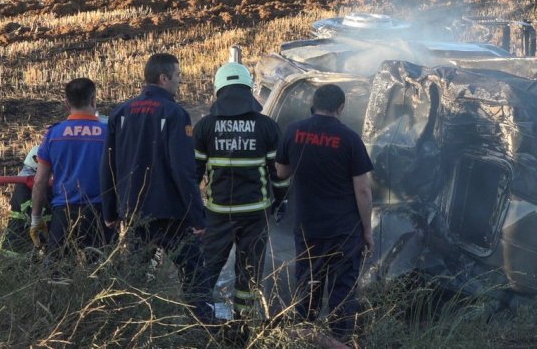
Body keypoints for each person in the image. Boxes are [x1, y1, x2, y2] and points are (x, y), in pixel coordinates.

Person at [99, 53, 213, 322]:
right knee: (194, 273)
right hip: (172, 214)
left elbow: (108, 165)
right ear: (164, 78)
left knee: (136, 279)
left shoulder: (121, 112)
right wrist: (198, 217)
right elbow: (183, 171)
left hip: (135, 212)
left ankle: (133, 327)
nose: (180, 81)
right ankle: (204, 330)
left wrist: (110, 211)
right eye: (178, 76)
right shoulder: (175, 113)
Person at [275, 84, 373, 345]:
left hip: (309, 227)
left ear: (313, 103)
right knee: (343, 289)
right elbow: (363, 190)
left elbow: (281, 173)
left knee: (308, 282)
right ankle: (339, 340)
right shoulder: (350, 139)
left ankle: (304, 334)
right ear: (340, 107)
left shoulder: (293, 131)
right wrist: (367, 231)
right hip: (345, 230)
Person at [194, 63, 286, 324]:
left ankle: (197, 323)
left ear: (218, 90)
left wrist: (195, 213)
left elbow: (193, 174)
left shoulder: (205, 127)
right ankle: (243, 327)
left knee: (206, 271)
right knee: (248, 274)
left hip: (217, 215)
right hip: (256, 215)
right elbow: (277, 175)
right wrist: (281, 202)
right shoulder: (267, 126)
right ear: (248, 89)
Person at [30, 78, 110, 257]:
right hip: (100, 213)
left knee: (57, 275)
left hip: (64, 213)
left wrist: (36, 219)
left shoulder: (54, 134)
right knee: (102, 273)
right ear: (93, 100)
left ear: (67, 103)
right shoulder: (108, 133)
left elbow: (40, 180)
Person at [0, 146, 48, 256]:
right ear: (36, 160)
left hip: (28, 243)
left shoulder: (29, 182)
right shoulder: (23, 184)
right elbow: (30, 210)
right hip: (16, 246)